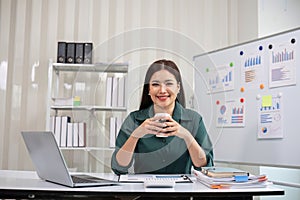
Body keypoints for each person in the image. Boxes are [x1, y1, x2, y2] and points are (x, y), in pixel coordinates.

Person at [111, 59, 213, 175]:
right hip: (143, 191)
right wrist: (136, 135)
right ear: (148, 89)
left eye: (169, 83)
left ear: (178, 87)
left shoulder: (194, 119)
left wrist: (186, 135)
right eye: (155, 84)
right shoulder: (134, 119)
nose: (162, 90)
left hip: (181, 191)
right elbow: (119, 167)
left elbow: (205, 167)